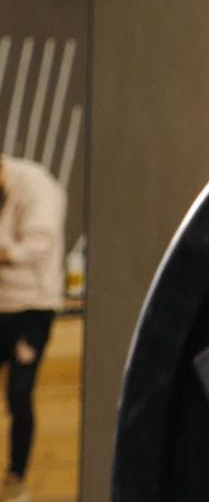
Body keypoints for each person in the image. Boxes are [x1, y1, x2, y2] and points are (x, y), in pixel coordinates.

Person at [0, 154, 65, 502]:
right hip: (1, 303)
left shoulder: (37, 186)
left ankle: (16, 479)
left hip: (33, 308)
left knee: (19, 394)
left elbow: (38, 245)